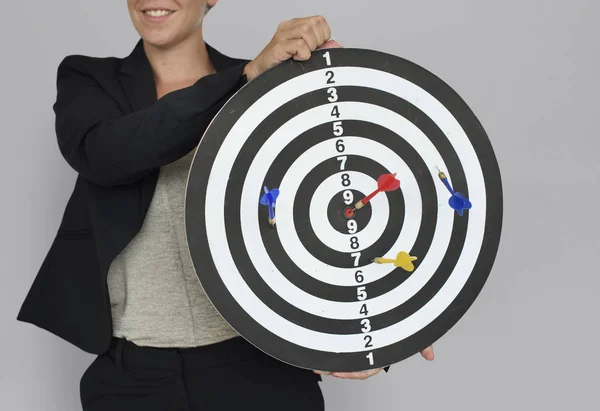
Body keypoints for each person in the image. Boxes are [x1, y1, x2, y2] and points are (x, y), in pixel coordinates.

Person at [17, 1, 434, 410]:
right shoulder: (90, 79)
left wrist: (386, 328)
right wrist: (244, 77)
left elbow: (337, 202)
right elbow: (106, 156)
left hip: (262, 370)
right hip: (132, 381)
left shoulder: (271, 84)